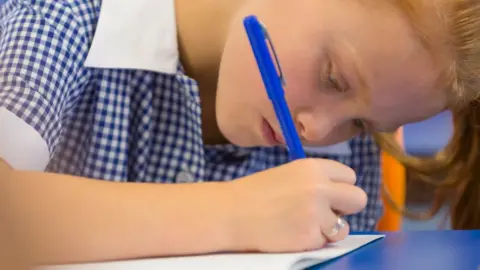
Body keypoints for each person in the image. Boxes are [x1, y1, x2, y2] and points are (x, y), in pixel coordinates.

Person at [0, 0, 476, 265]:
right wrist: (233, 214)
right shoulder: (58, 23)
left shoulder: (345, 151)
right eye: (334, 77)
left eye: (362, 124)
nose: (319, 129)